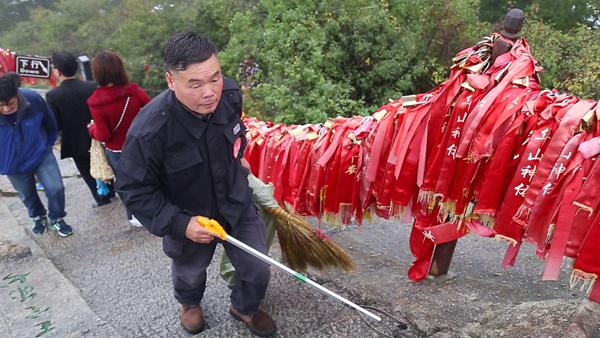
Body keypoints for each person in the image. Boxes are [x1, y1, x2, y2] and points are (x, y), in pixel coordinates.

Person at [116, 32, 276, 337]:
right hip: (189, 217)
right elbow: (135, 191)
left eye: (214, 78)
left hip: (235, 202)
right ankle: (189, 304)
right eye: (195, 84)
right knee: (189, 272)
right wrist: (180, 223)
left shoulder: (229, 94)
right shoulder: (150, 131)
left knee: (258, 268)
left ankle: (244, 307)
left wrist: (239, 158)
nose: (209, 93)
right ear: (170, 80)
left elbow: (236, 136)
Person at [0, 74, 73, 237]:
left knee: (56, 188)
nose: (6, 109)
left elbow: (50, 123)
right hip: (12, 164)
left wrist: (46, 143)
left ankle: (57, 218)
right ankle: (38, 216)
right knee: (27, 195)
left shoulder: (32, 99)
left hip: (40, 154)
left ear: (16, 95)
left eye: (10, 103)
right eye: (1, 106)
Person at [86, 51, 150, 226]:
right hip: (142, 144)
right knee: (150, 175)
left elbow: (104, 135)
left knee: (126, 183)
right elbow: (151, 111)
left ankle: (135, 215)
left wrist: (91, 129)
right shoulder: (134, 91)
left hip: (117, 150)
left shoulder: (96, 102)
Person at [46, 51, 114, 208]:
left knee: (86, 170)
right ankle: (110, 189)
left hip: (75, 140)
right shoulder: (91, 86)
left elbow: (55, 123)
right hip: (98, 134)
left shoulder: (53, 95)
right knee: (103, 161)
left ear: (57, 71)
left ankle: (101, 198)